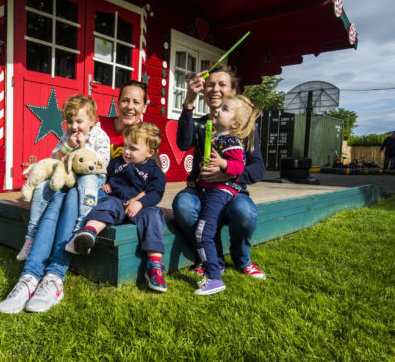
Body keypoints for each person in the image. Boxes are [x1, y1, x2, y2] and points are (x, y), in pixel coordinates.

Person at [0, 80, 149, 314]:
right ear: (117, 103)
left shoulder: (142, 135)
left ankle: (54, 278)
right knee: (56, 196)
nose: (130, 106)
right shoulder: (95, 121)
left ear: (144, 106)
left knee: (69, 199)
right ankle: (29, 277)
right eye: (125, 100)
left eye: (136, 102)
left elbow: (151, 172)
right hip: (71, 180)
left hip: (97, 188)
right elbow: (59, 152)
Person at [172, 64, 266, 280]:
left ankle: (242, 259)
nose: (214, 89)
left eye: (222, 84)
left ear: (233, 91)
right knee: (183, 205)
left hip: (231, 189)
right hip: (200, 189)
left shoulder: (245, 128)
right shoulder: (202, 124)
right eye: (209, 85)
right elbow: (183, 143)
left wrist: (229, 173)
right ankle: (210, 259)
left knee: (245, 213)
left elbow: (258, 167)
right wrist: (188, 102)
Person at [66, 122, 168, 292]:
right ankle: (89, 232)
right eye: (125, 146)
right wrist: (106, 184)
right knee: (107, 203)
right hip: (116, 202)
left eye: (133, 148)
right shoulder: (116, 163)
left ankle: (155, 265)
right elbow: (105, 175)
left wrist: (140, 202)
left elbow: (156, 192)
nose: (126, 151)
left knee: (154, 214)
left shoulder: (154, 171)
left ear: (150, 153)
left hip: (139, 208)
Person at [16, 95, 110, 261]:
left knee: (86, 182)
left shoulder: (100, 136)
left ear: (92, 120)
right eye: (70, 122)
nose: (74, 127)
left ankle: (80, 231)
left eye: (79, 121)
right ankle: (31, 236)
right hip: (68, 176)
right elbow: (55, 156)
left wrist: (82, 148)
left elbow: (101, 162)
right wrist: (68, 147)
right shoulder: (68, 134)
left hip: (92, 177)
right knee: (42, 187)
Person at [194, 95, 261, 295]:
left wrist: (222, 164)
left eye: (224, 109)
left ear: (236, 123)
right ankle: (216, 266)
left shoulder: (230, 140)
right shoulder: (217, 137)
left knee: (203, 232)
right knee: (211, 232)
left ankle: (213, 277)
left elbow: (239, 166)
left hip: (220, 192)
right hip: (209, 190)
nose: (217, 110)